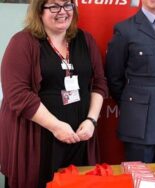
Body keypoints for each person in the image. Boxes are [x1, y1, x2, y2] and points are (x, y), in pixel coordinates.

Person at [0, 0, 108, 187]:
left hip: (79, 138)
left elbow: (99, 84)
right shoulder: (22, 42)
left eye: (67, 5)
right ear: (39, 10)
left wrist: (91, 121)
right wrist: (56, 126)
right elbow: (17, 95)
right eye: (54, 6)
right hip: (38, 142)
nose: (62, 11)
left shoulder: (86, 40)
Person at [106, 0, 155, 163]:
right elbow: (114, 77)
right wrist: (133, 104)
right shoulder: (125, 29)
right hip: (139, 120)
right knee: (141, 178)